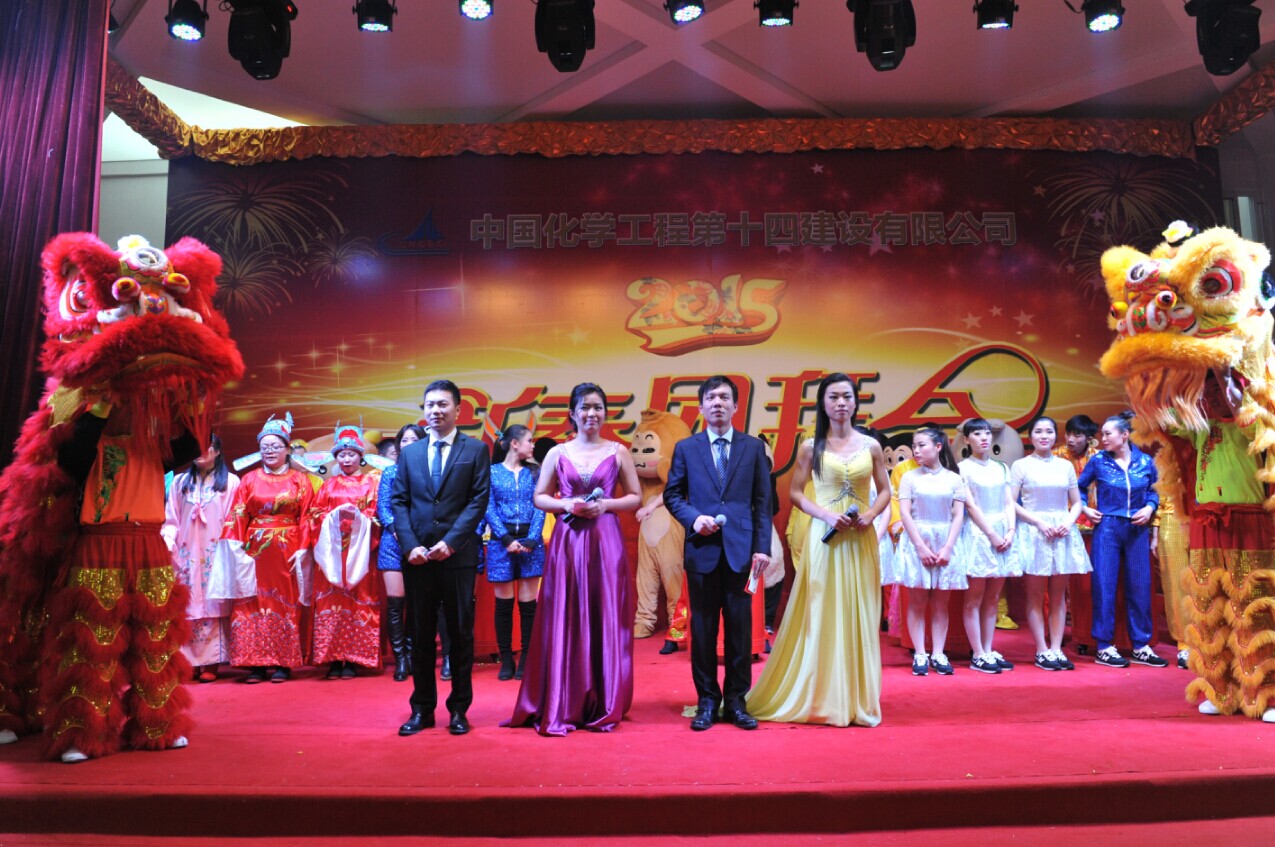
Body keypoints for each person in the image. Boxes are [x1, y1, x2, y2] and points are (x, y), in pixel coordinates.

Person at [746, 374, 890, 726]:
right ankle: (821, 694)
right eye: (833, 397)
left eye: (846, 397)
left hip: (859, 539)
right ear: (823, 404)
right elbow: (795, 493)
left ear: (855, 402)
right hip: (824, 538)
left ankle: (854, 698)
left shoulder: (871, 446)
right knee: (821, 609)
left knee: (859, 612)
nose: (841, 403)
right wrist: (825, 515)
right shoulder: (811, 447)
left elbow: (885, 490)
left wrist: (870, 515)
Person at [507, 384, 642, 735]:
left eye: (597, 407)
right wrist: (566, 504)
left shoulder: (618, 451)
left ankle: (605, 698)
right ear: (572, 413)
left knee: (605, 613)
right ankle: (563, 697)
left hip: (605, 541)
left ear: (606, 413)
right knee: (564, 614)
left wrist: (605, 505)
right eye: (584, 407)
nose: (591, 414)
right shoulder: (558, 452)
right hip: (568, 541)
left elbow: (635, 496)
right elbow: (540, 497)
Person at [664, 375, 772, 731]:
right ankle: (708, 701)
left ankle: (737, 702)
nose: (718, 403)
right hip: (702, 551)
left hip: (742, 553)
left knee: (740, 632)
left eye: (725, 397)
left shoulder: (753, 448)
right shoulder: (686, 448)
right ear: (701, 407)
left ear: (736, 406)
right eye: (711, 398)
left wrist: (762, 548)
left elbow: (762, 503)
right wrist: (694, 519)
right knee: (703, 630)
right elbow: (672, 495)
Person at [392, 380, 491, 737]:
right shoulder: (410, 454)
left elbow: (478, 501)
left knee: (460, 634)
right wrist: (410, 546)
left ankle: (459, 709)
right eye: (430, 405)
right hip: (418, 559)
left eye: (443, 404)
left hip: (457, 557)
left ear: (458, 410)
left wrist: (450, 543)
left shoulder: (475, 450)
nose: (435, 410)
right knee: (420, 636)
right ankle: (421, 709)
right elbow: (399, 501)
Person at [213, 413, 314, 684]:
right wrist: (234, 545)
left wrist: (304, 547)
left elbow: (307, 516)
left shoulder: (300, 480)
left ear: (287, 449)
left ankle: (283, 662)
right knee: (252, 599)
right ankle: (254, 662)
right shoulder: (249, 479)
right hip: (254, 550)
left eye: (275, 446)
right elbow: (238, 513)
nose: (269, 451)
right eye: (264, 447)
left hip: (287, 549)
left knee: (284, 600)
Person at [1077, 412, 1167, 669]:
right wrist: (1085, 508)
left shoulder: (1146, 462)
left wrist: (1149, 508)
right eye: (1102, 434)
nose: (1102, 438)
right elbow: (1079, 487)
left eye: (1108, 434)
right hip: (1108, 527)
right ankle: (1104, 646)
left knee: (1140, 585)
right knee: (1104, 585)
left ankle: (1141, 645)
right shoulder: (1098, 461)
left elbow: (1155, 491)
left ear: (1124, 435)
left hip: (1137, 529)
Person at [1011, 416, 1091, 671]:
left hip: (1062, 531)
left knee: (1059, 595)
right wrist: (1038, 522)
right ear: (1030, 436)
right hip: (1035, 531)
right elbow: (1010, 503)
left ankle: (1056, 648)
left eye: (1048, 431)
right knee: (1036, 595)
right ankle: (1041, 649)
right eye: (1038, 431)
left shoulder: (1064, 466)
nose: (1044, 436)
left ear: (1055, 436)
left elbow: (1077, 502)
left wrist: (1068, 522)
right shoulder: (1021, 465)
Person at [162, 435, 240, 683]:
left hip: (215, 550)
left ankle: (211, 661)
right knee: (187, 602)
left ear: (217, 451)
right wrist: (168, 541)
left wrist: (229, 549)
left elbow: (233, 519)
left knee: (212, 603)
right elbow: (171, 517)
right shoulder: (180, 482)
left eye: (206, 447)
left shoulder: (230, 482)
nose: (200, 452)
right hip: (185, 550)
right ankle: (188, 662)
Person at [308, 423, 382, 680]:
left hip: (360, 552)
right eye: (342, 454)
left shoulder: (371, 484)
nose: (347, 459)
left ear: (361, 457)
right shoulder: (328, 486)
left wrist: (360, 519)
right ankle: (332, 657)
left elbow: (377, 514)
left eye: (352, 454)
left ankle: (354, 658)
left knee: (358, 600)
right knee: (331, 602)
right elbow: (315, 514)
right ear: (336, 457)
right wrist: (333, 518)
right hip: (333, 553)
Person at [894, 426, 968, 676]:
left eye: (921, 445)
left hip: (946, 540)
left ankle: (938, 652)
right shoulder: (909, 477)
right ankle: (920, 653)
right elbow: (905, 513)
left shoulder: (954, 479)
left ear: (938, 446)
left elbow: (958, 515)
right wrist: (920, 547)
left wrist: (948, 548)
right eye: (914, 446)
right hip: (918, 540)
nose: (916, 450)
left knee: (941, 603)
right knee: (916, 602)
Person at [957, 418, 1020, 674]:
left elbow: (1008, 502)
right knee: (974, 597)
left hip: (1003, 532)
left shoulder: (1002, 467)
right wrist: (992, 534)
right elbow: (970, 506)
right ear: (966, 440)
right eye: (977, 434)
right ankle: (978, 653)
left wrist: (1011, 530)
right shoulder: (962, 468)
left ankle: (988, 648)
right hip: (978, 533)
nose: (984, 438)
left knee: (993, 597)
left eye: (986, 433)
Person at [486, 425, 546, 681]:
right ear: (514, 443)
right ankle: (506, 659)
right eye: (529, 440)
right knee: (503, 605)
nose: (533, 445)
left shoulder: (535, 472)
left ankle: (527, 657)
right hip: (501, 543)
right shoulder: (492, 472)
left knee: (528, 605)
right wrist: (506, 538)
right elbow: (488, 507)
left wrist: (532, 538)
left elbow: (540, 505)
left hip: (531, 543)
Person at [377, 424, 426, 681]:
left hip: (420, 541)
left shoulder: (430, 472)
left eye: (413, 440)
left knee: (417, 604)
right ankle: (401, 659)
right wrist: (398, 531)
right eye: (404, 441)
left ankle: (414, 654)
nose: (408, 444)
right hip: (394, 541)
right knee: (396, 604)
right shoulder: (390, 472)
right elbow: (383, 507)